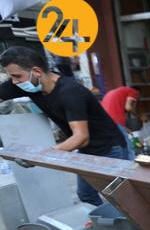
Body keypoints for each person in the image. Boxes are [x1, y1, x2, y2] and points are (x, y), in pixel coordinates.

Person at [0, 46, 128, 207]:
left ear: (37, 72)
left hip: (110, 148)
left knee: (121, 198)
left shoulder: (70, 92)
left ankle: (123, 221)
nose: (14, 82)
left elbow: (81, 137)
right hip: (87, 149)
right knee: (86, 195)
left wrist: (40, 156)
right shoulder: (29, 83)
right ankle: (103, 220)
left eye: (17, 76)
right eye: (11, 77)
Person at [101, 85, 142, 160]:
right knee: (127, 145)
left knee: (117, 145)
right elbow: (128, 107)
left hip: (105, 122)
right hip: (116, 121)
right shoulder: (134, 91)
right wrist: (140, 116)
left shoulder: (111, 92)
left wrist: (125, 128)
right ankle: (132, 163)